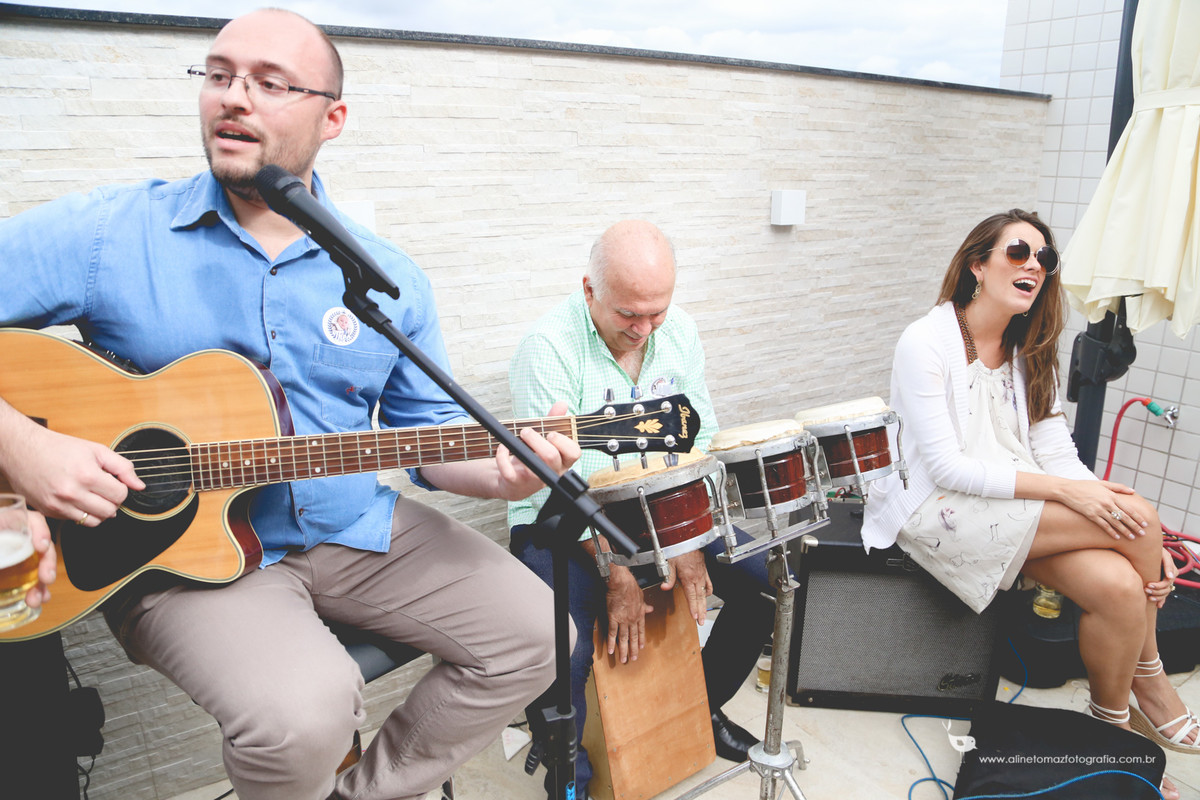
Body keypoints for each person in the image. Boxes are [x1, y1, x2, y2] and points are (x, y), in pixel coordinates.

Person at [0, 10, 581, 800]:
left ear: (331, 118)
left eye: (271, 84)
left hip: (351, 525)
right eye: (219, 75)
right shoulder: (111, 234)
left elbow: (427, 440)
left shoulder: (385, 278)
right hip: (180, 556)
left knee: (541, 634)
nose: (234, 97)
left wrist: (501, 474)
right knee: (304, 718)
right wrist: (25, 447)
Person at [861, 209, 1195, 799]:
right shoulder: (926, 340)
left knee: (1122, 583)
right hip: (938, 506)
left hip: (1014, 499)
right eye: (1018, 252)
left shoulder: (1031, 345)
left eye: (1046, 258)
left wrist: (1102, 506)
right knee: (1140, 518)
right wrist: (1084, 502)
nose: (1035, 266)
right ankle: (1151, 678)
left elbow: (1056, 453)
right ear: (977, 265)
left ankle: (1110, 734)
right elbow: (947, 468)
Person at [508, 220, 773, 798]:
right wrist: (618, 573)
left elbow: (701, 439)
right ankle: (569, 775)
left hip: (667, 510)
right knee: (561, 645)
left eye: (657, 312)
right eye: (629, 314)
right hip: (562, 520)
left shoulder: (680, 331)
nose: (645, 329)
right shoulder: (547, 348)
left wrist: (690, 538)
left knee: (765, 585)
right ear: (589, 290)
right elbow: (555, 482)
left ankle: (701, 708)